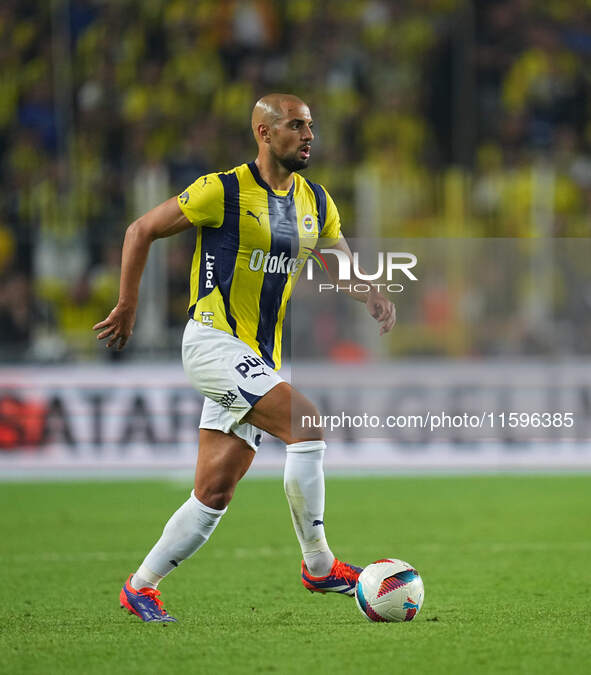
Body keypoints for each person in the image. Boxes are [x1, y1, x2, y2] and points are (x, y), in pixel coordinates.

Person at [93, 93, 395, 623]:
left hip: (262, 359)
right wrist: (127, 305)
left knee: (214, 491)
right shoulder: (221, 190)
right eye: (297, 126)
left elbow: (340, 266)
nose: (309, 136)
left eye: (311, 127)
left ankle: (140, 586)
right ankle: (319, 565)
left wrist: (370, 292)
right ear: (264, 132)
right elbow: (140, 230)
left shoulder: (317, 202)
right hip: (213, 342)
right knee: (307, 423)